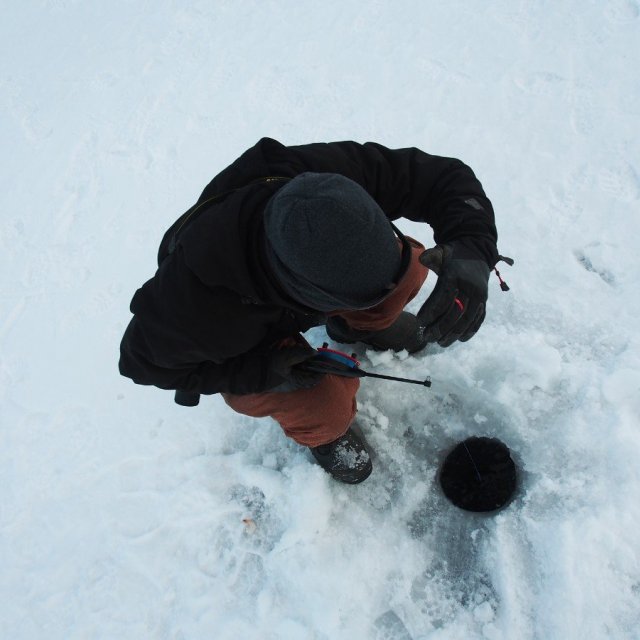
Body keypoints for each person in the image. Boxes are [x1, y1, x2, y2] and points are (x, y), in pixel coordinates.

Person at [119, 138, 501, 484]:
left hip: (292, 281)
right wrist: (262, 368)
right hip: (250, 345)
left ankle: (360, 327)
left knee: (412, 265)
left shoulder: (324, 185)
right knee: (320, 403)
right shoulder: (193, 311)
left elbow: (442, 178)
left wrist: (472, 246)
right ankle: (325, 434)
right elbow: (141, 364)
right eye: (360, 300)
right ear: (310, 296)